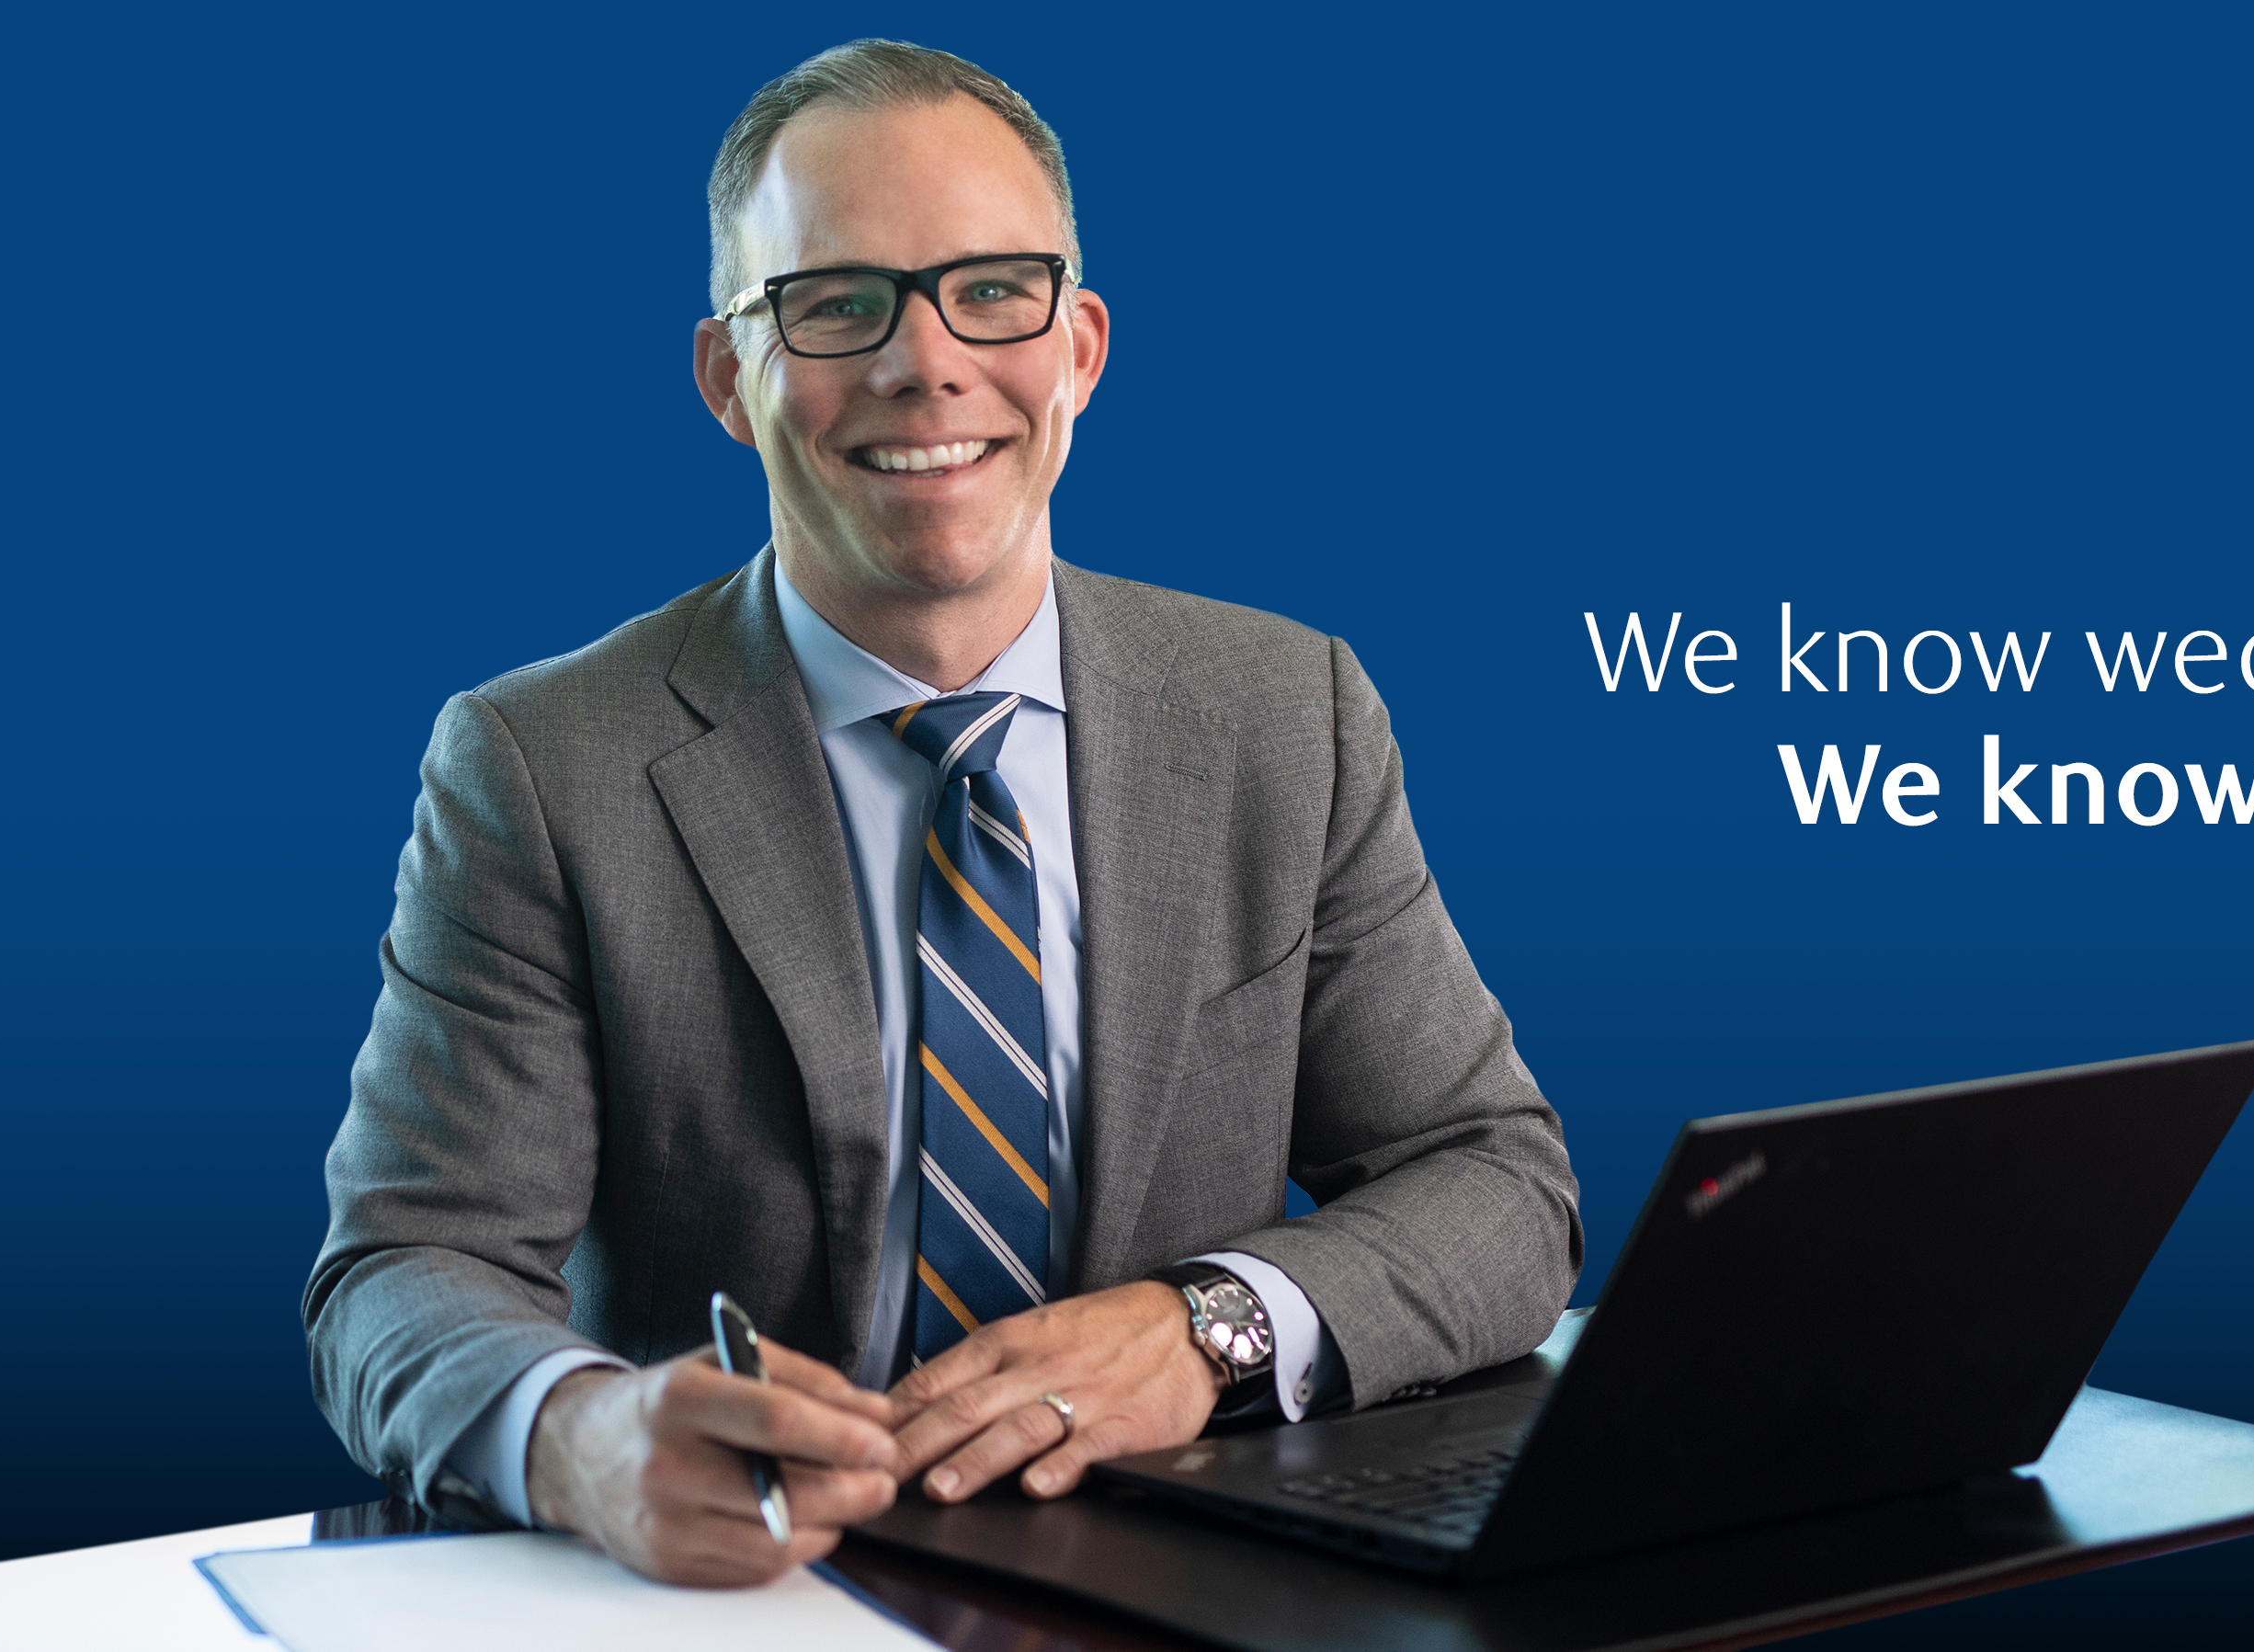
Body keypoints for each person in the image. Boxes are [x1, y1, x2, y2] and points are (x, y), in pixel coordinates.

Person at [303, 39, 1580, 1588]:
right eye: (839, 304)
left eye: (992, 290)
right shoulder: (539, 763)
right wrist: (581, 1434)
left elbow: (1499, 1184)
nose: (929, 361)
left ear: (1082, 347)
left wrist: (1207, 1329)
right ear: (729, 378)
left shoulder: (1283, 714)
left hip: (1201, 1575)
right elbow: (402, 1269)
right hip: (755, 1596)